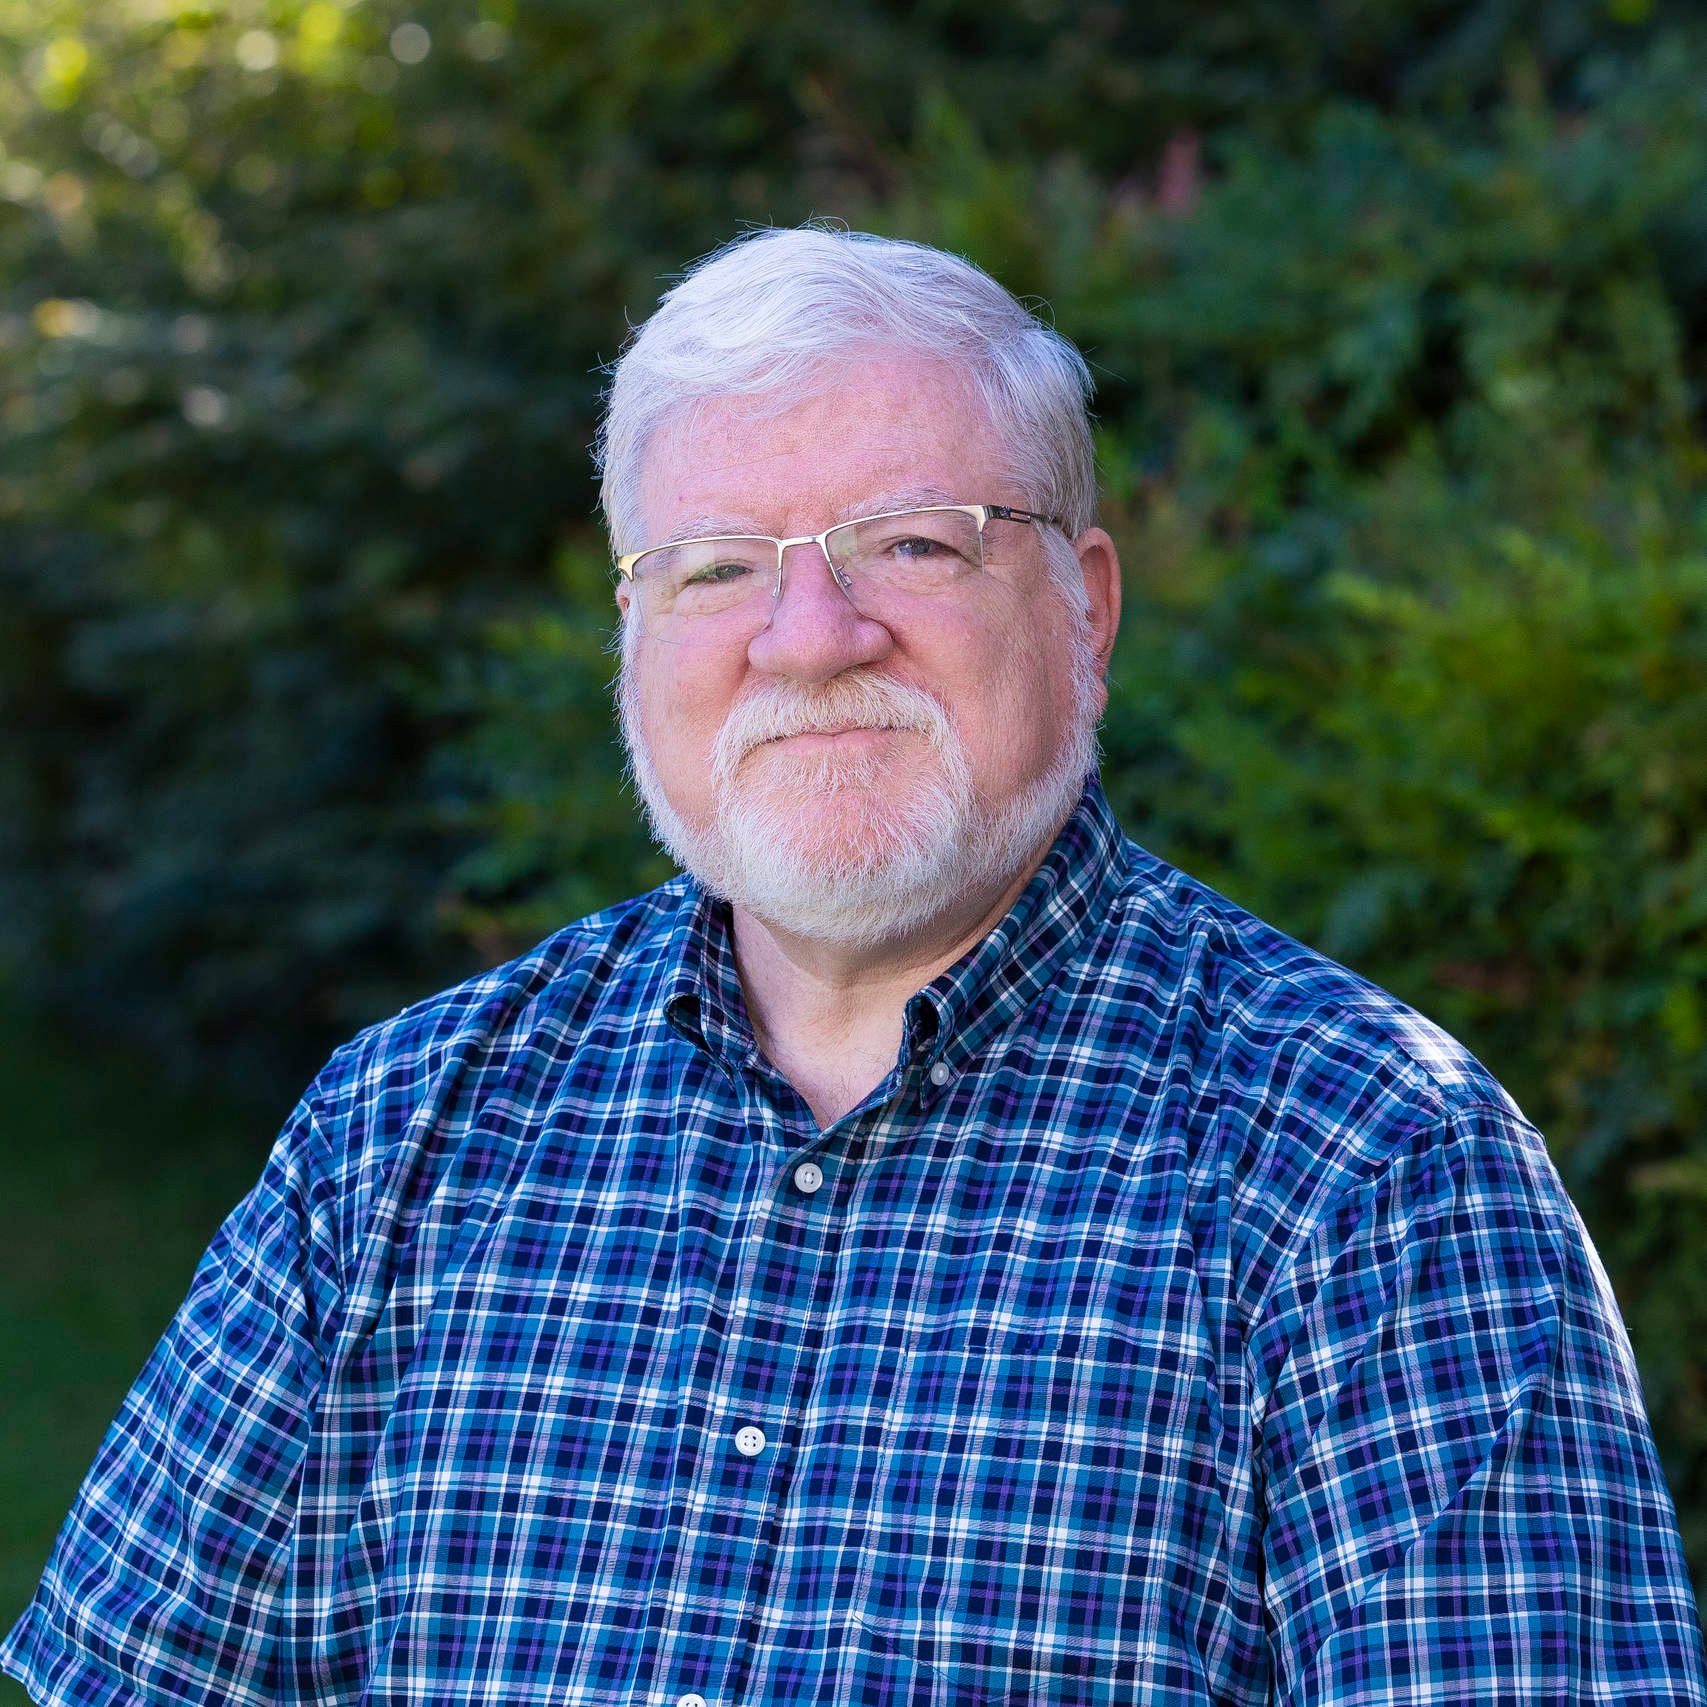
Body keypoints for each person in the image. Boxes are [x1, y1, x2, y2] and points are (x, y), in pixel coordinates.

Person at [4, 225, 1703, 1707]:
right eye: (717, 568)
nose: (808, 638)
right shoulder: (401, 1133)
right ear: (633, 635)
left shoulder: (1374, 1170)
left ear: (1086, 606)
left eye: (913, 539)